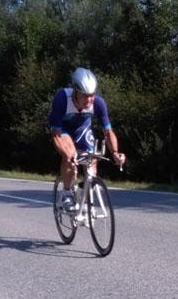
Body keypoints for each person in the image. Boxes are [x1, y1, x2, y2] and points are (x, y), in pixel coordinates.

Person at [48, 67, 126, 211]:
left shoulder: (98, 103)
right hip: (63, 130)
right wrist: (68, 156)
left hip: (82, 130)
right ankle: (66, 193)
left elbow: (108, 132)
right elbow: (56, 135)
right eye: (84, 95)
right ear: (75, 92)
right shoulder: (62, 98)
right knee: (70, 155)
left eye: (92, 95)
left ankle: (84, 193)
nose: (89, 100)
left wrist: (115, 152)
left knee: (92, 157)